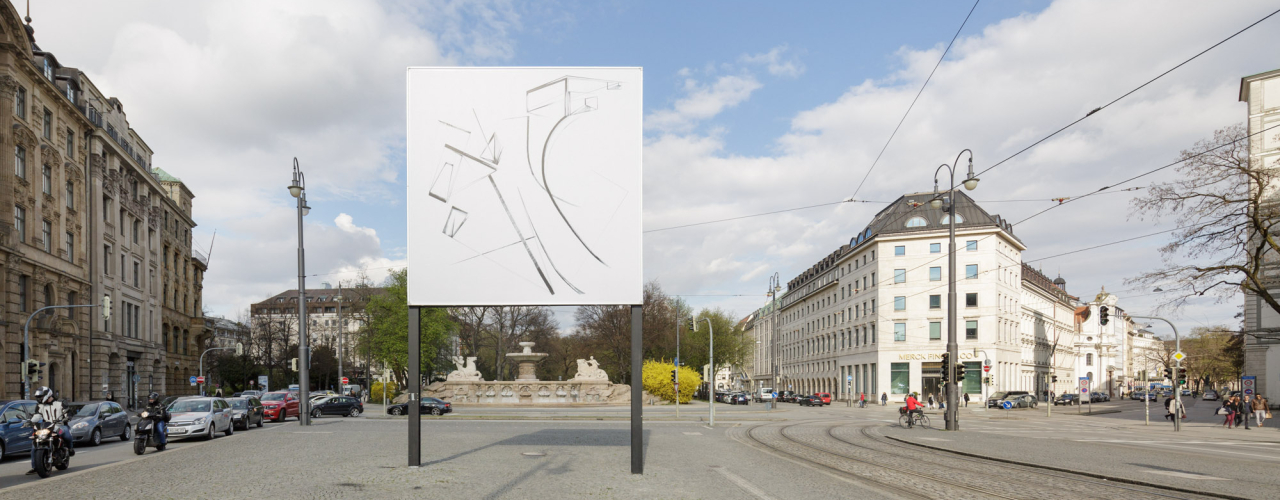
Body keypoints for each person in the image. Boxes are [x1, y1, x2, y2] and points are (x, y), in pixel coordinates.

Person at [27, 387, 72, 475]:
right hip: (46, 426)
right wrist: (30, 422)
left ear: (47, 395)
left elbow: (67, 412)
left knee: (66, 433)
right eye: (38, 397)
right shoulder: (40, 405)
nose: (39, 398)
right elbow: (37, 415)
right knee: (34, 445)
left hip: (59, 425)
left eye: (40, 396)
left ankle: (70, 449)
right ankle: (35, 467)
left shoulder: (60, 403)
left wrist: (67, 417)